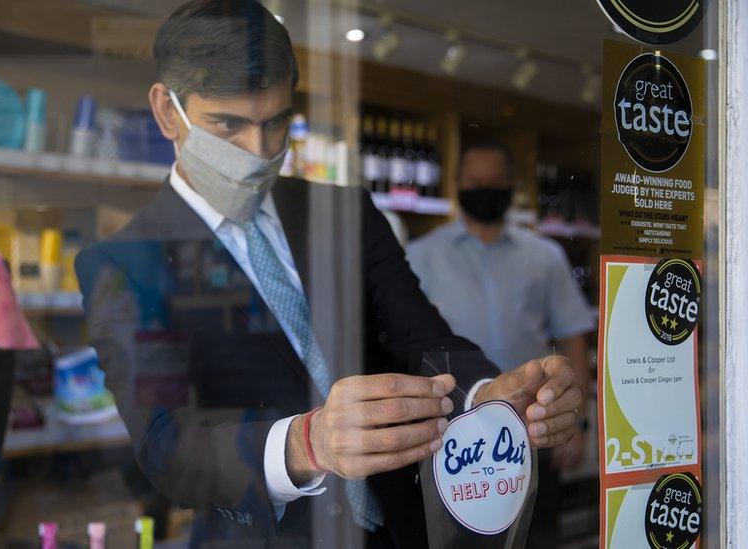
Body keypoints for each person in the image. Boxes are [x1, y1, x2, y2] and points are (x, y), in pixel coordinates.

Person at [75, 2, 582, 546]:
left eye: (276, 122)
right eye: (228, 125)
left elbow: (421, 339)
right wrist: (305, 444)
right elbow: (167, 444)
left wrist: (489, 396)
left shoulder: (345, 215)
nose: (259, 150)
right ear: (167, 110)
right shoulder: (125, 263)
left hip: (401, 527)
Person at [405, 142, 595, 547]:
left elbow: (572, 335)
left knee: (536, 537)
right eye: (476, 182)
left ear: (512, 187)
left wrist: (577, 421)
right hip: (448, 435)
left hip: (531, 430)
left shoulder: (545, 257)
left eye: (496, 182)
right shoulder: (419, 257)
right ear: (457, 185)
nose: (485, 189)